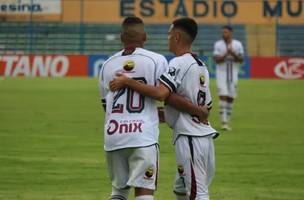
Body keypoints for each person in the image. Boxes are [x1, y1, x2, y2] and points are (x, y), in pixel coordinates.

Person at [99, 16, 207, 200]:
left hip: (114, 135)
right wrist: (196, 110)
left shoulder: (107, 65)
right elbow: (163, 94)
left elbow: (106, 105)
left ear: (121, 37)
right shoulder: (157, 60)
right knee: (144, 191)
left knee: (118, 191)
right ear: (145, 37)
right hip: (142, 136)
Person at [213, 25, 244, 131]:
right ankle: (224, 122)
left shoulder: (237, 44)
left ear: (231, 33)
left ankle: (228, 119)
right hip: (221, 74)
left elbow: (240, 60)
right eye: (223, 32)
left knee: (231, 97)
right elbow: (216, 59)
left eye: (226, 32)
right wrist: (226, 54)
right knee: (223, 95)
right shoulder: (218, 44)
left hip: (233, 74)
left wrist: (233, 53)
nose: (224, 34)